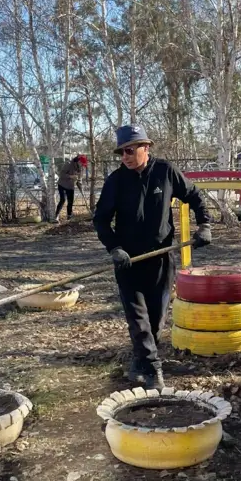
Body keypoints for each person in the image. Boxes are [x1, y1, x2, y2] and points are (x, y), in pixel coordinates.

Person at [93, 125, 212, 390]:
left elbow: (194, 196)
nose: (125, 156)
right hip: (128, 262)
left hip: (161, 258)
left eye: (130, 150)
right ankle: (153, 370)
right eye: (122, 152)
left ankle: (140, 361)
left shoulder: (165, 172)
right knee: (138, 319)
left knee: (156, 320)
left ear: (146, 148)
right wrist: (114, 248)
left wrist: (204, 225)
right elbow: (101, 220)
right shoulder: (116, 181)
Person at [55, 153, 86, 222]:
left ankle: (69, 216)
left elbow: (79, 179)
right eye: (81, 164)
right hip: (62, 184)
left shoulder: (80, 168)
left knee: (70, 202)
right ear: (78, 161)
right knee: (62, 200)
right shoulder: (68, 164)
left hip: (71, 186)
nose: (82, 166)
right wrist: (70, 176)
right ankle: (56, 216)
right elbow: (61, 174)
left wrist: (80, 184)